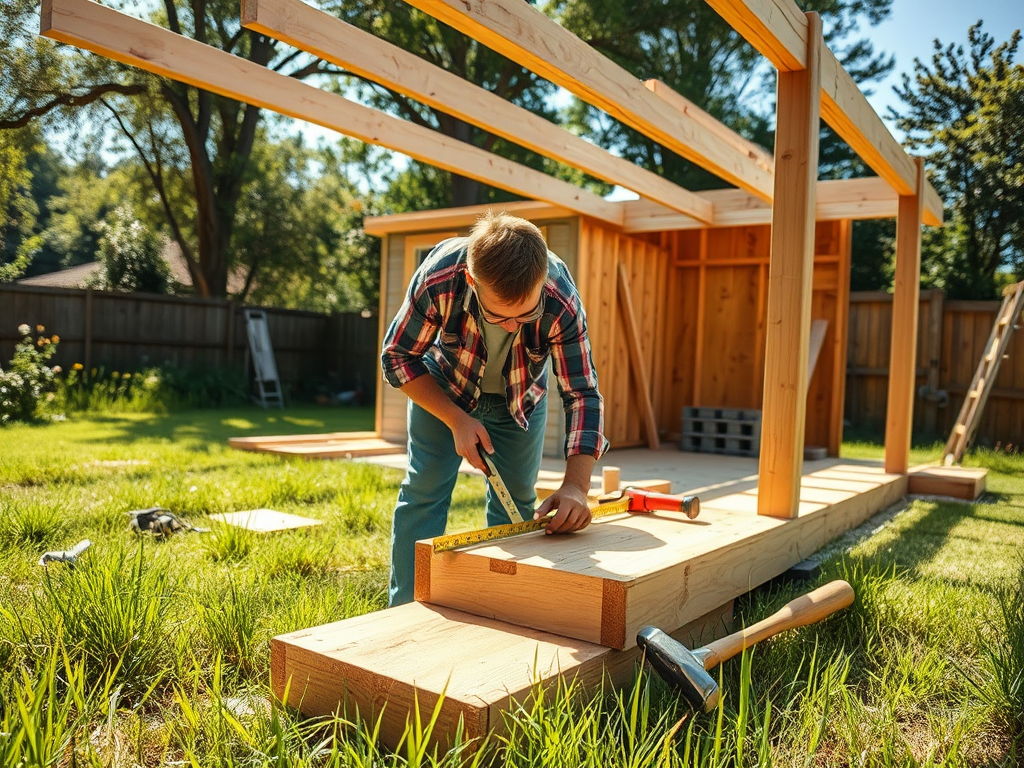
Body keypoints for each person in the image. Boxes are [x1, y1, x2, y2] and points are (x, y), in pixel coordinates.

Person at [381, 211, 608, 606]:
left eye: (526, 315)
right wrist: (455, 419)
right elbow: (398, 357)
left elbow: (582, 392)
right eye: (499, 314)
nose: (511, 325)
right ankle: (404, 608)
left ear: (541, 284)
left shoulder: (561, 299)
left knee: (516, 503)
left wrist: (576, 486)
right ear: (472, 281)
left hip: (519, 399)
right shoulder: (439, 277)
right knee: (424, 493)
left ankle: (503, 605)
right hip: (445, 389)